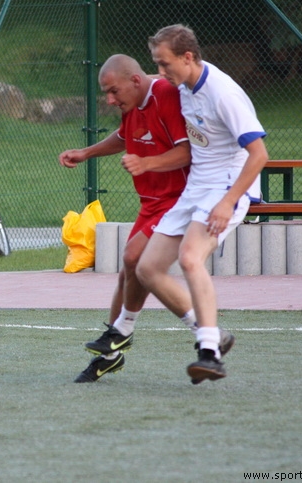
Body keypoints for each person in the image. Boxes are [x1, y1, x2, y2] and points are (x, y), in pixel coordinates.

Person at [58, 54, 234, 383]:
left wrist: (146, 163)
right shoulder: (132, 103)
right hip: (150, 202)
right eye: (106, 93)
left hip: (178, 199)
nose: (110, 100)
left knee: (135, 259)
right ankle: (111, 354)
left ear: (135, 81)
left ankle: (205, 333)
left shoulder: (165, 95)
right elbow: (125, 137)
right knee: (128, 271)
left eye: (113, 91)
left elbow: (187, 152)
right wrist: (86, 152)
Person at [138, 24, 269, 384]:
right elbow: (148, 80)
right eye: (157, 64)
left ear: (188, 57)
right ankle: (212, 333)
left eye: (164, 63)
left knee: (190, 258)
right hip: (196, 188)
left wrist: (228, 202)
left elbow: (259, 155)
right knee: (148, 269)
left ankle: (209, 355)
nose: (160, 72)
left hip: (227, 187)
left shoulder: (223, 93)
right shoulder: (182, 83)